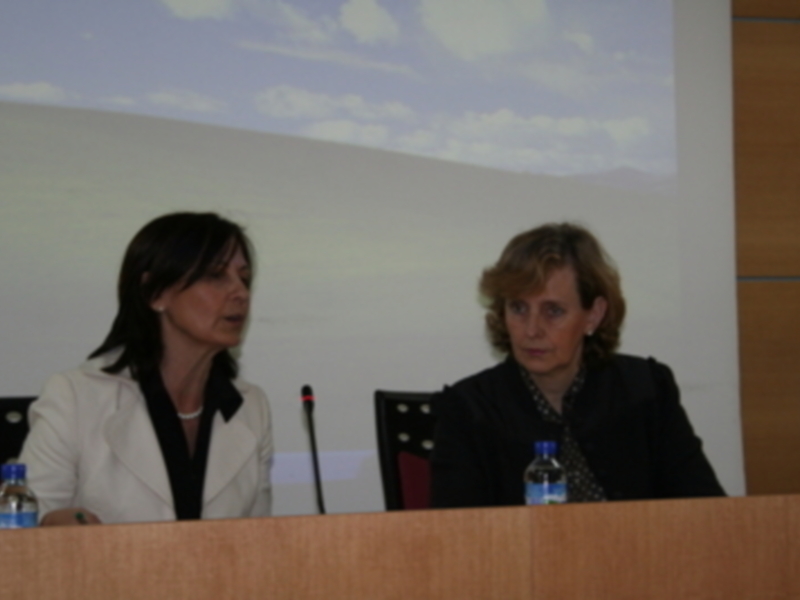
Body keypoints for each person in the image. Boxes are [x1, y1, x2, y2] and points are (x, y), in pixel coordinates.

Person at [430, 222, 724, 508]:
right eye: (518, 308)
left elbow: (706, 511)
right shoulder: (469, 408)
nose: (531, 330)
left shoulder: (647, 390)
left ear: (593, 315)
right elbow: (457, 532)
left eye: (553, 311)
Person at [19, 212, 273, 525]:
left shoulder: (251, 406)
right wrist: (57, 524)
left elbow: (258, 539)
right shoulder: (75, 397)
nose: (241, 293)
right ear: (155, 293)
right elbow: (23, 528)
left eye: (244, 278)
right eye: (216, 275)